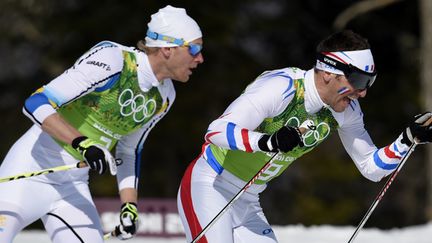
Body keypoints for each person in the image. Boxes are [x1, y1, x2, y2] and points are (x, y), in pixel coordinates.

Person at [177, 30, 432, 243]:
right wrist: (267, 141)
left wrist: (407, 140)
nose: (362, 92)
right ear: (328, 71)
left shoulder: (347, 110)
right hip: (211, 185)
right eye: (358, 80)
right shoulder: (281, 87)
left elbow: (371, 168)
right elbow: (216, 131)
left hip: (248, 198)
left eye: (369, 82)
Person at [0, 5, 204, 243]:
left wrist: (129, 206)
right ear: (168, 48)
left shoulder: (165, 97)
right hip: (29, 171)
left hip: (72, 186)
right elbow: (36, 103)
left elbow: (129, 150)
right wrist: (82, 143)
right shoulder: (113, 60)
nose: (200, 58)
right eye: (194, 48)